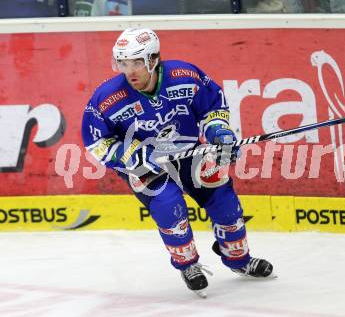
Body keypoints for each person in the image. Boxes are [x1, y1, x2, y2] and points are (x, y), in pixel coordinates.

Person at [81, 28, 275, 297]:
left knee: (224, 200)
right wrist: (131, 155)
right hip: (144, 164)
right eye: (124, 63)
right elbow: (96, 142)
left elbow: (212, 108)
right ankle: (188, 265)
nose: (130, 71)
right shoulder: (108, 97)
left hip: (189, 153)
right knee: (168, 205)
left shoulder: (185, 76)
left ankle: (238, 260)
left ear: (154, 59)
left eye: (137, 62)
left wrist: (218, 132)